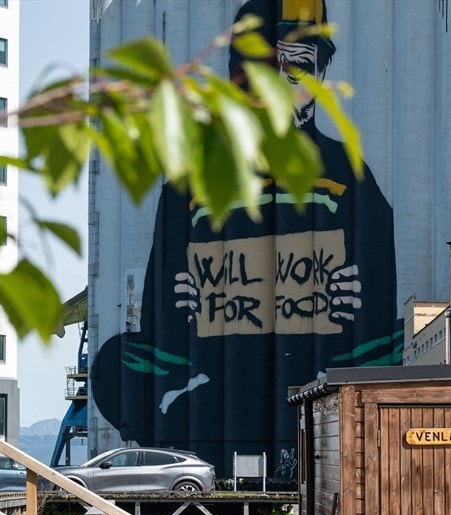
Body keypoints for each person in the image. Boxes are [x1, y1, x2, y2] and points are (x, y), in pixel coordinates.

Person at [88, 0, 400, 478]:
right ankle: (192, 449)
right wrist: (181, 303)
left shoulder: (348, 174)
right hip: (216, 372)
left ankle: (303, 419)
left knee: (403, 350)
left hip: (320, 367)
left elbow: (380, 305)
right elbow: (158, 308)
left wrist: (356, 298)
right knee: (114, 361)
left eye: (297, 64)